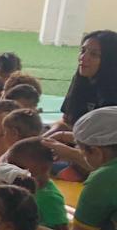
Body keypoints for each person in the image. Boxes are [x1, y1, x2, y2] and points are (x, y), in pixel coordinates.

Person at [44, 30, 117, 176]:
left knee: (41, 166)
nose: (83, 58)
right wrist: (44, 138)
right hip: (82, 146)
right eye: (83, 51)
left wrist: (68, 151)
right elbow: (66, 121)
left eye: (94, 54)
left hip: (100, 159)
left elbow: (105, 156)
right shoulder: (81, 81)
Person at [4, 138, 68, 230]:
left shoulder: (49, 198)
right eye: (9, 165)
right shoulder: (20, 184)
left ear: (43, 168)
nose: (11, 171)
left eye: (19, 167)